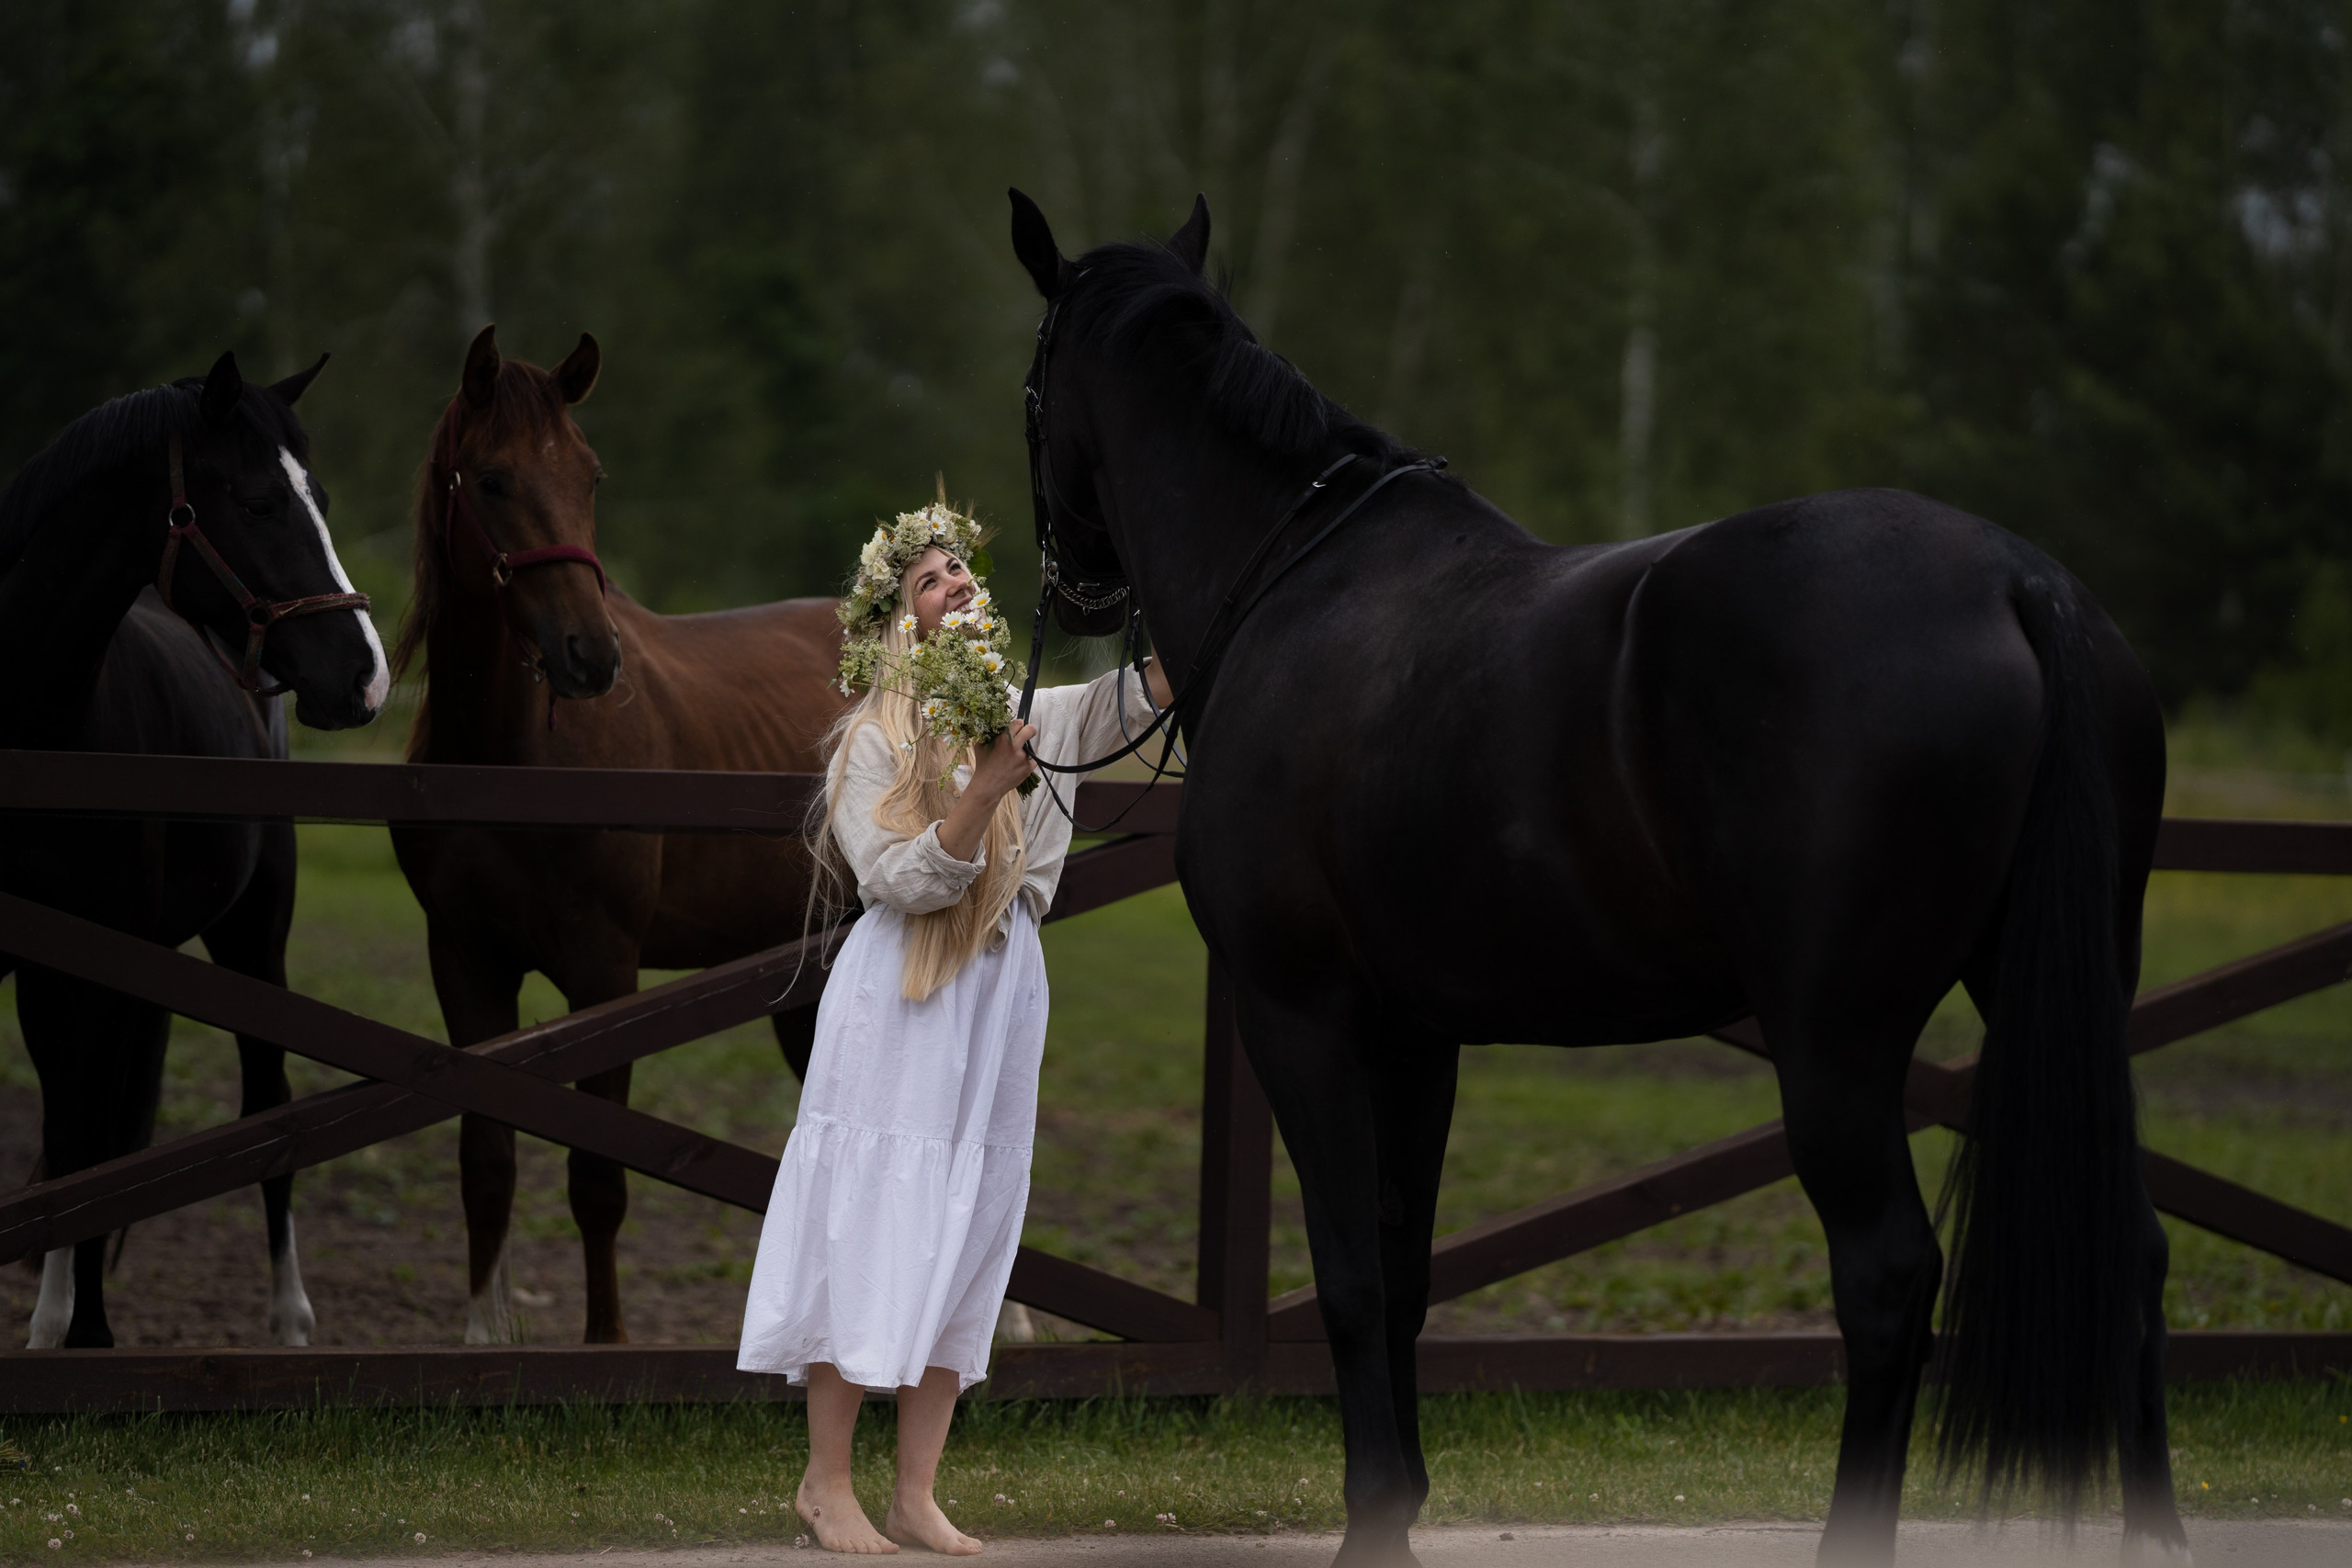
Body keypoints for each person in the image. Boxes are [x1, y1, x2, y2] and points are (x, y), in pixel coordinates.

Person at [738, 513, 1173, 1555]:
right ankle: (826, 1482)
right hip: (905, 995)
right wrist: (981, 790)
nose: (958, 588)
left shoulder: (1034, 717)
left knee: (963, 1223)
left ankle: (914, 1491)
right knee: (872, 1219)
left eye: (962, 573)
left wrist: (1176, 583)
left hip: (1001, 990)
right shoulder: (871, 739)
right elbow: (893, 877)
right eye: (931, 581)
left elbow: (1139, 697)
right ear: (896, 620)